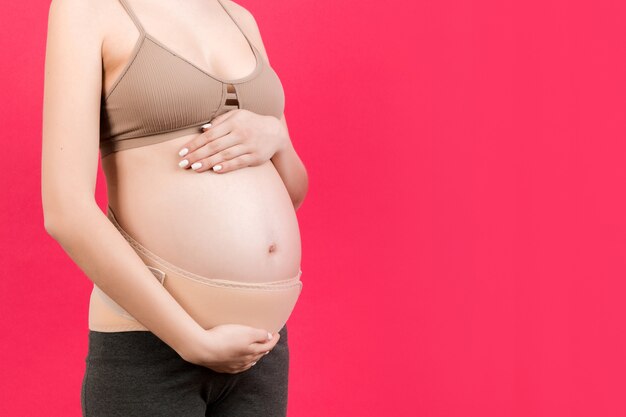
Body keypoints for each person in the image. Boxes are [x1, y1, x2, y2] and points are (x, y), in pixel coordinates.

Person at [41, 0, 309, 415]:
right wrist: (191, 340)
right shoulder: (88, 9)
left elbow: (291, 192)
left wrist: (276, 137)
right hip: (152, 342)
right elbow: (66, 210)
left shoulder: (239, 19)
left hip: (260, 348)